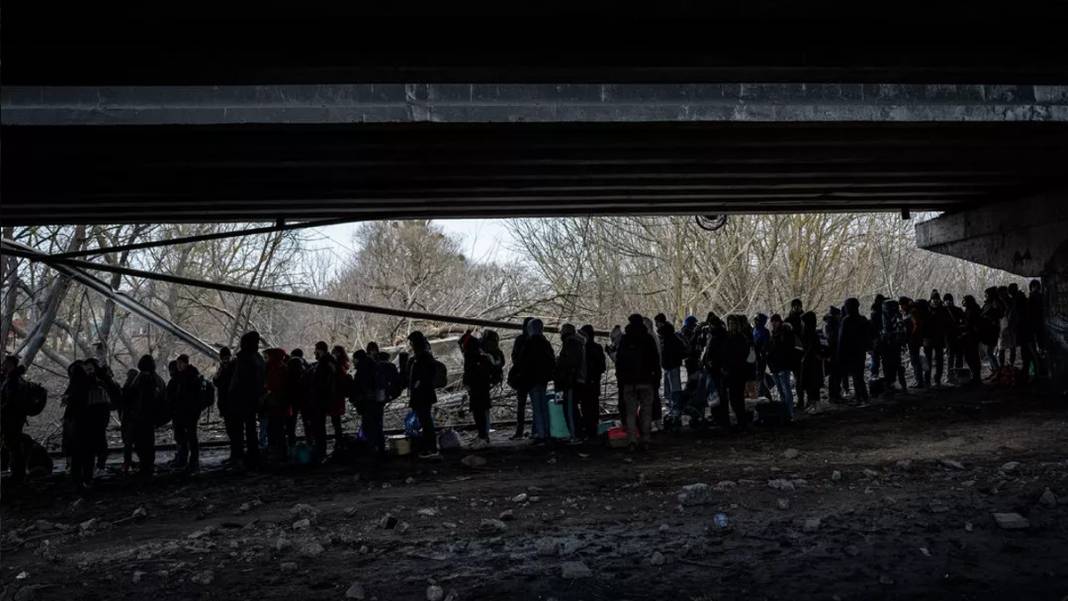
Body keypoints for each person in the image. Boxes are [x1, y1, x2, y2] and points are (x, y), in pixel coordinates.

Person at [614, 314, 659, 450]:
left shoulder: (625, 339)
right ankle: (646, 439)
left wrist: (620, 379)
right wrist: (656, 379)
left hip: (629, 382)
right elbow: (655, 361)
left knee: (630, 412)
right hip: (646, 380)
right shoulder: (648, 339)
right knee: (646, 411)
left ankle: (632, 440)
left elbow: (619, 361)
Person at [67, 360, 109, 491]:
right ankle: (87, 479)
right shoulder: (92, 387)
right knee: (88, 456)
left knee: (77, 456)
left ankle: (76, 481)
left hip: (77, 428)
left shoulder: (73, 389)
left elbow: (69, 412)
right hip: (90, 427)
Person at [228, 331, 266, 470]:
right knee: (251, 430)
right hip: (252, 400)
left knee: (237, 431)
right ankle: (253, 456)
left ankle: (239, 458)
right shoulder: (259, 358)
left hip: (240, 400)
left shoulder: (244, 359)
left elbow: (239, 381)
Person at [518, 319, 556, 445]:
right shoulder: (545, 342)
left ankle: (541, 435)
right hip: (543, 379)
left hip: (532, 379)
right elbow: (552, 360)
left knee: (537, 408)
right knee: (543, 407)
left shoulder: (529, 343)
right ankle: (546, 433)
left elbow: (523, 361)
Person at [130, 354, 166, 478]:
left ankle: (145, 467)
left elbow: (134, 397)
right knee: (148, 443)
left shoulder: (140, 378)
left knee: (141, 443)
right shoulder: (157, 379)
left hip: (141, 416)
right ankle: (147, 466)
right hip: (150, 416)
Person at [406, 331, 440, 458]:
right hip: (421, 394)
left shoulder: (424, 357)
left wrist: (418, 383)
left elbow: (427, 374)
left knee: (426, 421)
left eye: (412, 343)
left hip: (423, 394)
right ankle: (429, 447)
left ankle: (431, 448)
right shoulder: (419, 357)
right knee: (425, 421)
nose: (411, 345)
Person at [168, 354, 204, 472]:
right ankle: (184, 460)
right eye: (177, 363)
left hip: (190, 413)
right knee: (183, 437)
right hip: (181, 412)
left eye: (180, 363)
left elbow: (193, 397)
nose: (178, 365)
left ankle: (193, 462)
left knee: (191, 437)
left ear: (186, 363)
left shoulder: (192, 377)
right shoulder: (183, 376)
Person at [718, 315, 753, 430]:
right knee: (734, 399)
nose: (731, 326)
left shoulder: (741, 338)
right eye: (730, 324)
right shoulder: (728, 337)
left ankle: (742, 422)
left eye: (733, 324)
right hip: (730, 371)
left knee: (737, 398)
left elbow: (741, 355)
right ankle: (740, 421)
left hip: (738, 372)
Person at [303, 341, 336, 462]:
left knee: (318, 427)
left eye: (316, 349)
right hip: (322, 399)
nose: (314, 352)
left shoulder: (324, 363)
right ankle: (320, 451)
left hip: (319, 400)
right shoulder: (327, 362)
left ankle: (320, 453)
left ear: (320, 350)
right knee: (319, 427)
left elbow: (322, 383)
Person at [555, 323, 586, 442]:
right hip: (576, 380)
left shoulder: (571, 343)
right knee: (572, 408)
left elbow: (569, 363)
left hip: (571, 381)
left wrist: (559, 362)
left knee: (570, 409)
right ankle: (577, 433)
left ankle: (575, 435)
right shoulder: (578, 343)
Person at [1, 355, 30, 483]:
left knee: (14, 445)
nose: (3, 365)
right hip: (14, 417)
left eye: (5, 363)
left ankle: (18, 474)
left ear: (11, 364)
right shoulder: (14, 378)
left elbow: (11, 400)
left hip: (12, 417)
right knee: (13, 444)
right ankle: (17, 472)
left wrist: (2, 408)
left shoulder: (13, 380)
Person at [837, 298, 871, 403]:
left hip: (850, 353)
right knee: (859, 376)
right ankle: (861, 397)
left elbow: (841, 339)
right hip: (860, 352)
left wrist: (840, 354)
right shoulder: (863, 319)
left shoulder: (846, 321)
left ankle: (862, 398)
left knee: (857, 377)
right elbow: (868, 336)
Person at [507, 317, 535, 440]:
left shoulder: (520, 339)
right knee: (536, 405)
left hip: (522, 377)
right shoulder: (537, 339)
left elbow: (514, 357)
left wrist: (520, 367)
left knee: (521, 405)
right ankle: (536, 430)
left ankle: (520, 432)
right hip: (533, 377)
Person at [262, 348, 292, 462]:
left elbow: (273, 386)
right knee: (277, 429)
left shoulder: (276, 369)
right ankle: (279, 452)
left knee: (276, 429)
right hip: (279, 404)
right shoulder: (282, 367)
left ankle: (277, 453)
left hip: (276, 404)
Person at [657, 320, 687, 431]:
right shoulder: (672, 339)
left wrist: (673, 360)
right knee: (672, 391)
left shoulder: (669, 341)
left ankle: (676, 415)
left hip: (672, 367)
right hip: (670, 367)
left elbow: (680, 351)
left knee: (674, 391)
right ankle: (674, 413)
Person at [766, 314, 796, 420]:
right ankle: (785, 412)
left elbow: (785, 349)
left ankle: (789, 412)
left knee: (785, 389)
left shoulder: (784, 333)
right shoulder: (774, 334)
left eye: (775, 321)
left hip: (782, 365)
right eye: (772, 322)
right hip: (776, 365)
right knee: (781, 389)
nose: (774, 324)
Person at [579, 324, 606, 438]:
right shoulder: (598, 347)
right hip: (595, 381)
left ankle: (588, 428)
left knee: (585, 406)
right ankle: (593, 428)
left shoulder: (582, 348)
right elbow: (602, 367)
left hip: (584, 382)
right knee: (594, 405)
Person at [879, 299, 907, 395]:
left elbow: (887, 330)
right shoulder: (898, 315)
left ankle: (891, 385)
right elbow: (902, 330)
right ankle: (900, 386)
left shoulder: (885, 316)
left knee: (889, 366)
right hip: (896, 344)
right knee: (897, 365)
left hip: (889, 344)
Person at [799, 312, 825, 412]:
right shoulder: (808, 332)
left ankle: (817, 405)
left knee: (813, 384)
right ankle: (813, 403)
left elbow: (814, 347)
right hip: (809, 361)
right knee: (810, 384)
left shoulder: (811, 333)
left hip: (812, 362)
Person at [329, 345, 352, 453]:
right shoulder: (343, 365)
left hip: (335, 396)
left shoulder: (337, 366)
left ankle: (339, 442)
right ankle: (339, 441)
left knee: (336, 421)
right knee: (336, 421)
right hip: (339, 396)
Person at [118, 368, 140, 472]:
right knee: (138, 443)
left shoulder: (126, 388)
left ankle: (127, 463)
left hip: (126, 419)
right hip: (135, 419)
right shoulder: (138, 388)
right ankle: (142, 463)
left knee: (128, 444)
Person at [960, 295, 985, 385]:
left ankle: (976, 377)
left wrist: (964, 328)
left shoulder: (972, 310)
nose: (963, 302)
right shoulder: (974, 309)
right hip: (972, 336)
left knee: (972, 357)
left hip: (971, 337)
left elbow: (970, 324)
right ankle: (976, 377)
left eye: (964, 300)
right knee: (973, 357)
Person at [980, 287, 1004, 373]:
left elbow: (998, 314)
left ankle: (997, 370)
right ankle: (995, 369)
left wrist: (989, 318)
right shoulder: (990, 303)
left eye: (986, 294)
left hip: (992, 331)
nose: (985, 296)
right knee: (988, 352)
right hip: (990, 330)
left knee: (989, 352)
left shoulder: (994, 303)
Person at [822, 307, 843, 401]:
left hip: (832, 353)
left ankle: (834, 394)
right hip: (834, 353)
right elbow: (832, 340)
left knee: (834, 375)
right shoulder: (833, 325)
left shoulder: (828, 324)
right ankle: (835, 395)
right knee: (835, 375)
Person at [869, 294, 886, 379]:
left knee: (875, 359)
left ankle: (874, 376)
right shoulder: (881, 311)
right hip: (880, 338)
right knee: (882, 359)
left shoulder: (874, 310)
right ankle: (884, 376)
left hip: (875, 338)